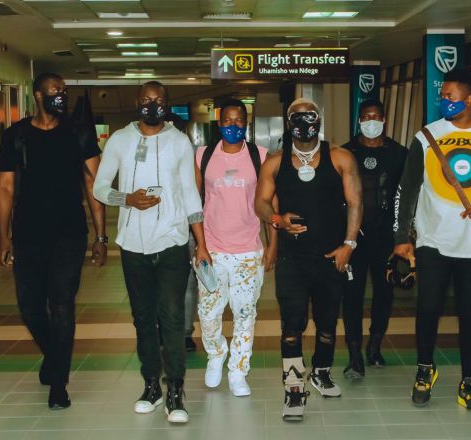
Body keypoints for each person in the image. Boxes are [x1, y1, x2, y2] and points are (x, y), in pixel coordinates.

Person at [394, 69, 471, 411]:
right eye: (442, 95)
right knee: (427, 309)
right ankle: (424, 370)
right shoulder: (427, 136)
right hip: (432, 241)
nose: (444, 101)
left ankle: (469, 382)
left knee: (469, 314)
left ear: (470, 99)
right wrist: (402, 236)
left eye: (450, 96)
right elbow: (408, 189)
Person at [93, 81, 210, 424]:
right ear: (137, 102)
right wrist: (126, 199)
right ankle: (151, 386)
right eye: (146, 99)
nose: (152, 105)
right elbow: (100, 188)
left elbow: (190, 193)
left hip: (172, 242)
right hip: (133, 245)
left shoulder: (179, 141)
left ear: (166, 104)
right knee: (143, 319)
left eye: (158, 100)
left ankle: (175, 388)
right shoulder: (120, 140)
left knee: (172, 318)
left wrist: (201, 243)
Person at [0, 72, 107, 410]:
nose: (62, 95)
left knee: (62, 304)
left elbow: (94, 185)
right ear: (38, 96)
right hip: (28, 234)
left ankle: (58, 383)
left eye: (64, 90)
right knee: (29, 306)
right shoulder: (16, 136)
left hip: (69, 234)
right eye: (55, 90)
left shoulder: (78, 133)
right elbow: (5, 188)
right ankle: (55, 357)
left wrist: (101, 236)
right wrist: (3, 238)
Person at [255, 98, 363, 421]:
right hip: (292, 259)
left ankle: (321, 372)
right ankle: (293, 387)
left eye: (310, 116)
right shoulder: (275, 162)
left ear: (320, 120)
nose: (304, 122)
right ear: (289, 123)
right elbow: (260, 202)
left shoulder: (340, 157)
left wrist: (349, 244)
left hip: (331, 257)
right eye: (297, 117)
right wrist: (277, 219)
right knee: (292, 325)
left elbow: (356, 202)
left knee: (327, 323)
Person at [195, 98, 276, 397]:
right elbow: (194, 204)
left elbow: (271, 203)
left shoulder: (261, 156)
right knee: (208, 313)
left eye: (239, 120)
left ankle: (239, 370)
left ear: (247, 122)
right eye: (227, 121)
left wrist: (273, 244)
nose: (233, 126)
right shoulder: (203, 156)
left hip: (248, 251)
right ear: (219, 123)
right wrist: (200, 245)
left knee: (245, 313)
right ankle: (216, 354)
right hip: (212, 250)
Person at [342, 99, 407, 378]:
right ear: (359, 121)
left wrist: (406, 235)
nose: (371, 122)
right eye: (366, 117)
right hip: (353, 238)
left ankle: (375, 345)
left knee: (384, 292)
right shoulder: (345, 152)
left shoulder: (399, 154)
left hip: (385, 237)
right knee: (352, 295)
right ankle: (354, 353)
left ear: (384, 120)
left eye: (376, 117)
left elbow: (408, 195)